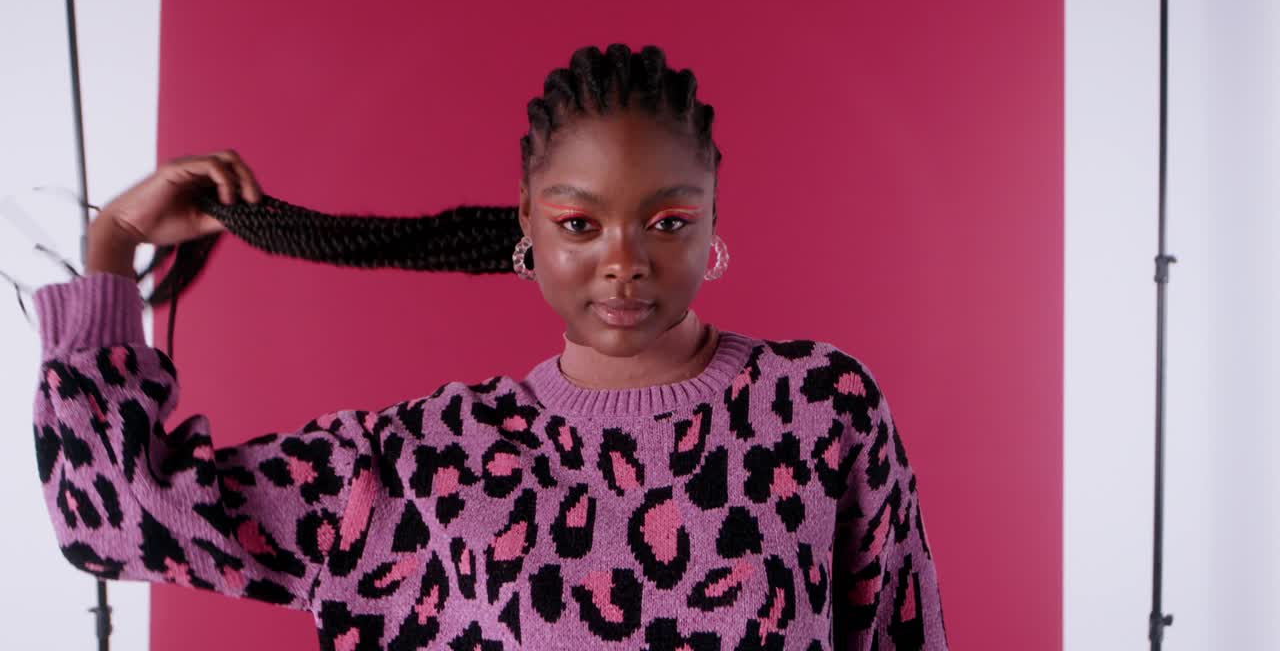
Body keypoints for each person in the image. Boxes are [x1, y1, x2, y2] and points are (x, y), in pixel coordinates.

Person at [31, 43, 949, 649]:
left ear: (713, 219)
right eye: (580, 224)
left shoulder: (820, 409)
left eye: (666, 221)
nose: (624, 261)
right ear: (530, 227)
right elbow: (111, 515)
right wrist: (112, 246)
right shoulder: (430, 465)